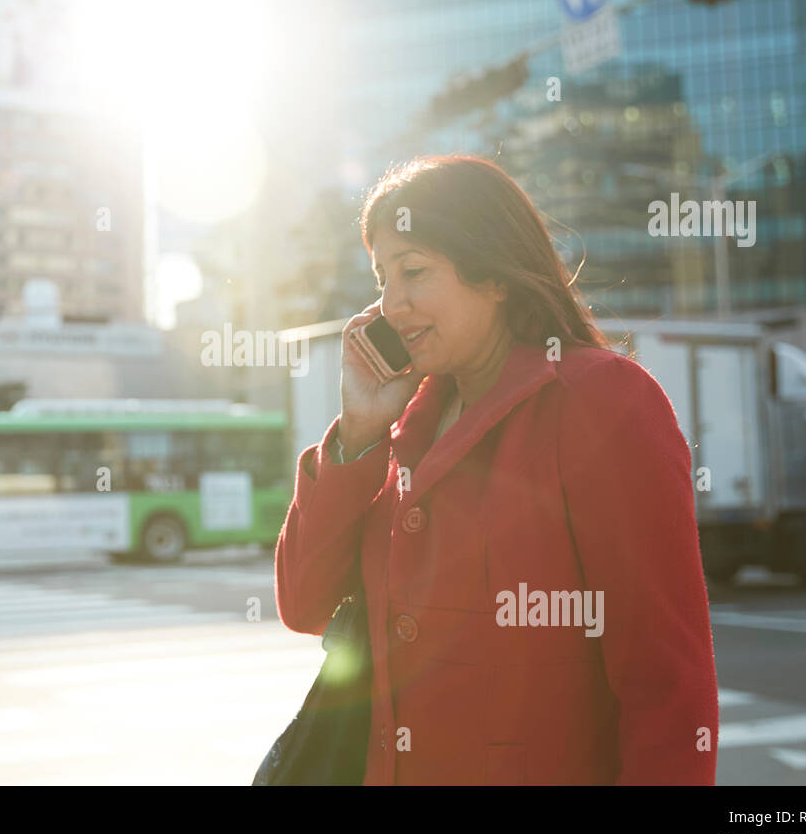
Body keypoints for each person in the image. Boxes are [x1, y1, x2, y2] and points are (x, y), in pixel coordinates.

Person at [274, 155, 718, 785]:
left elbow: (667, 685)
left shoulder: (603, 401)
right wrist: (359, 435)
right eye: (381, 279)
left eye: (415, 272)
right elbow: (304, 604)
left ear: (496, 276)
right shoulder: (405, 426)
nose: (390, 305)